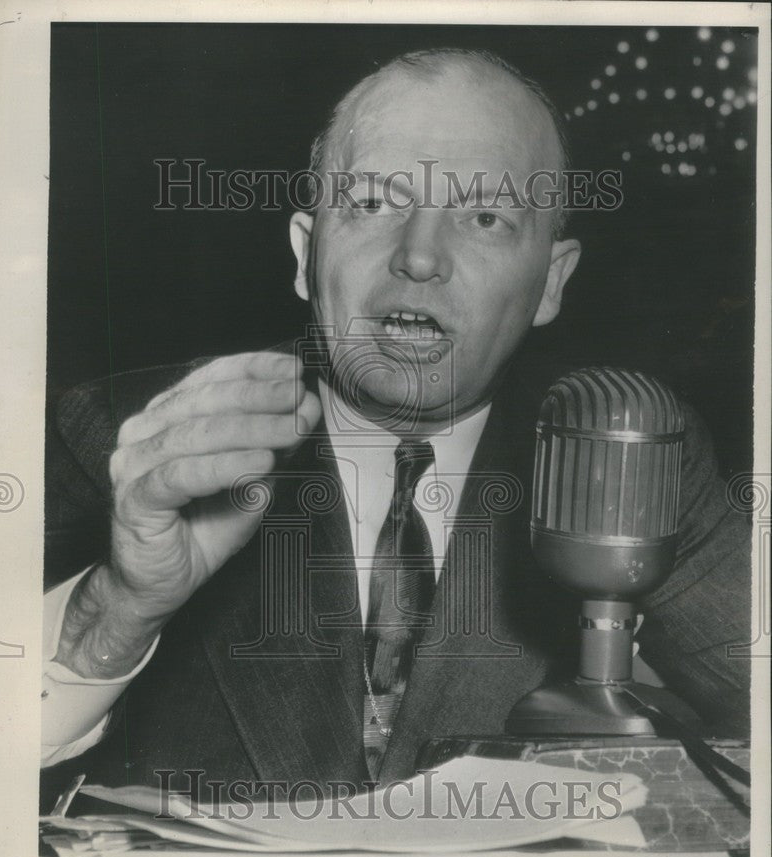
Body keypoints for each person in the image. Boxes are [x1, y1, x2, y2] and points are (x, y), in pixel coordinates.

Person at [40, 49, 750, 807]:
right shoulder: (125, 438)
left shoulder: (627, 450)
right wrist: (116, 607)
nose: (417, 258)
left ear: (550, 281)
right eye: (374, 204)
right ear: (306, 254)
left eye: (483, 217)